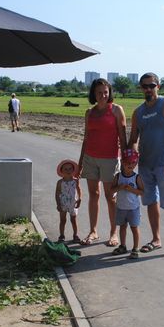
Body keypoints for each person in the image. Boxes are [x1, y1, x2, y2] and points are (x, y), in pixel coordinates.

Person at [128, 72, 164, 260]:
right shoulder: (138, 112)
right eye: (144, 86)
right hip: (145, 165)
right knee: (151, 202)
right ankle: (156, 239)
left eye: (151, 86)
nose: (148, 89)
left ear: (158, 86)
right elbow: (134, 139)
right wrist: (132, 156)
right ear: (140, 88)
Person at [77, 78, 128, 247]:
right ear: (93, 94)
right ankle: (93, 231)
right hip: (90, 158)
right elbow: (86, 138)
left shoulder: (116, 110)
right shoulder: (89, 113)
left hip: (110, 159)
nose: (103, 95)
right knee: (94, 195)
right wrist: (80, 162)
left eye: (105, 92)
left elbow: (123, 137)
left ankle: (114, 233)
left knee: (110, 196)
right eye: (99, 92)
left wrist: (127, 159)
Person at [109, 149, 144, 259]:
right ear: (123, 163)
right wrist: (119, 187)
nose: (130, 165)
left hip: (133, 208)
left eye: (133, 162)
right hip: (121, 207)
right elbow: (111, 190)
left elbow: (142, 192)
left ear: (136, 163)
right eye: (127, 162)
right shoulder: (118, 176)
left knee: (134, 228)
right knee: (122, 227)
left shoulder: (136, 177)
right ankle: (123, 246)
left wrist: (132, 190)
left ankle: (135, 248)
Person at [55, 159, 82, 243]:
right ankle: (62, 235)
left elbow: (79, 190)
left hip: (73, 203)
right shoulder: (60, 182)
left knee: (73, 220)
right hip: (63, 203)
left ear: (73, 170)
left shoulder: (75, 181)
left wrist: (79, 199)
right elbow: (57, 193)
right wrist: (58, 204)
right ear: (62, 171)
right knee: (63, 220)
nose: (68, 171)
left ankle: (75, 235)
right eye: (66, 169)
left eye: (70, 169)